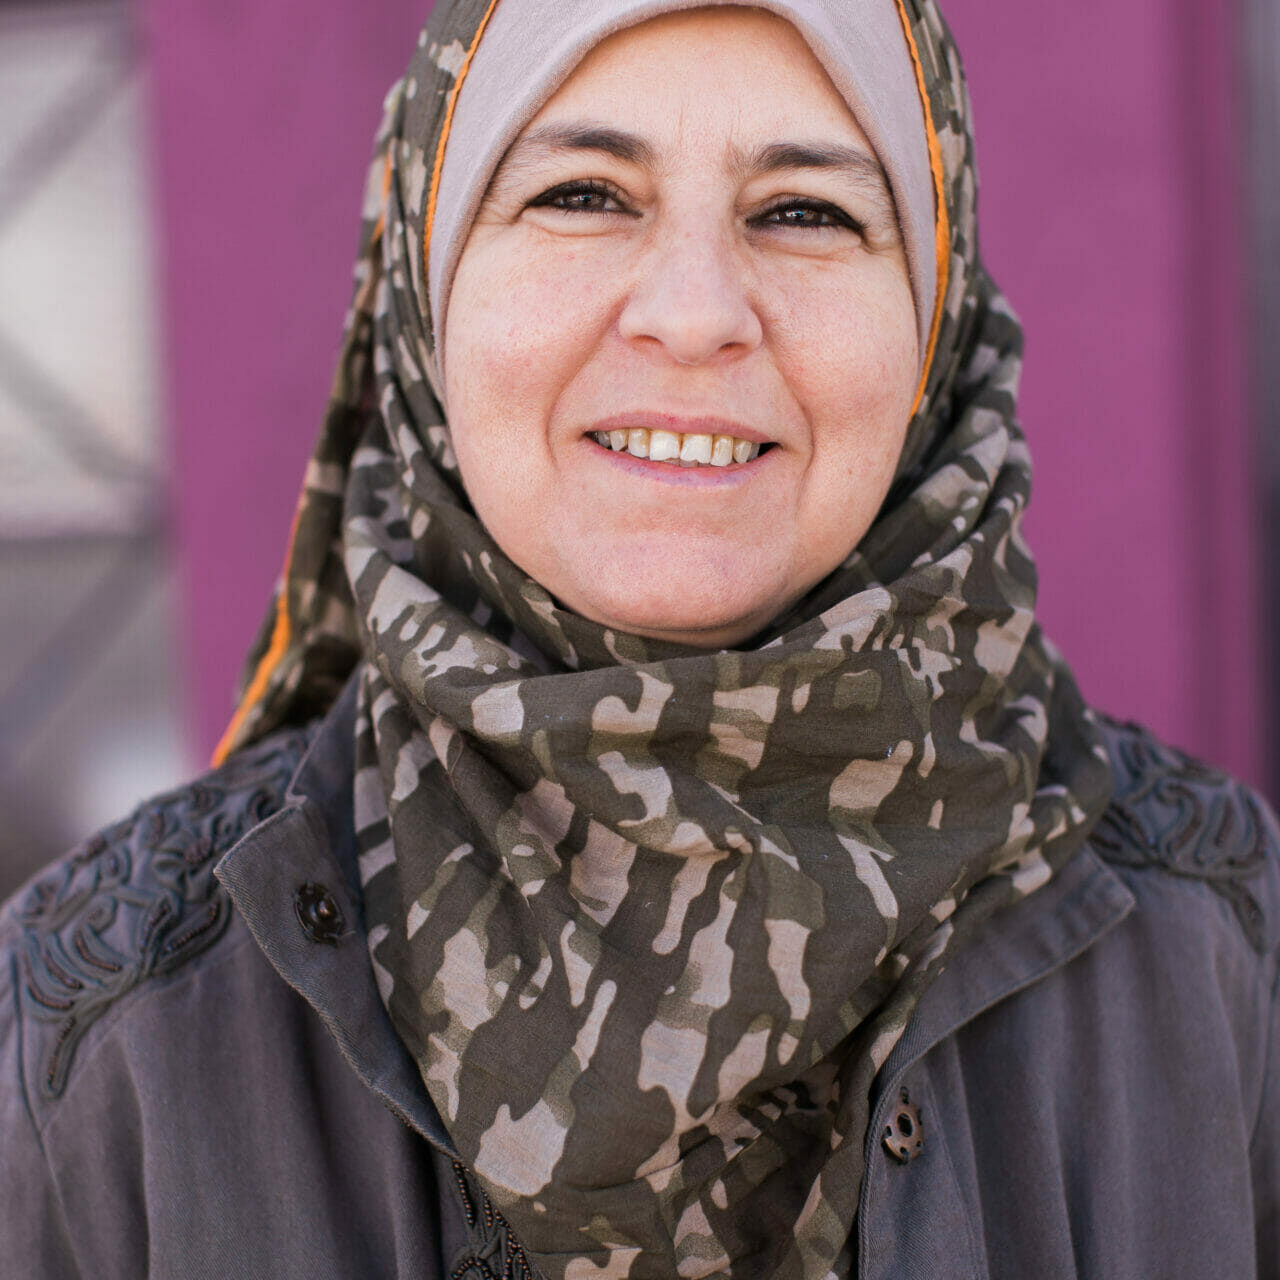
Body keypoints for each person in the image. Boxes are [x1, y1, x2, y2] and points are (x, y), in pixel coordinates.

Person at [3, 0, 1277, 1276]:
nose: (693, 312)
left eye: (803, 211)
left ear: (932, 322)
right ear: (426, 293)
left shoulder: (1224, 956)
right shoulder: (103, 1039)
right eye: (581, 194)